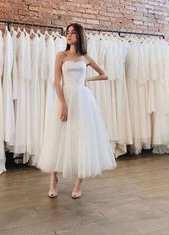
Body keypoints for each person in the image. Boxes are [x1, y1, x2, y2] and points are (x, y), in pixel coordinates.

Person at [36, 23, 117, 199]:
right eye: (68, 32)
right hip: (65, 97)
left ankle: (79, 183)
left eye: (73, 32)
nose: (69, 35)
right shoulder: (61, 56)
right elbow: (56, 82)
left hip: (82, 99)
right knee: (58, 137)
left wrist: (87, 79)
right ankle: (53, 179)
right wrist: (63, 104)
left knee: (82, 139)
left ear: (80, 36)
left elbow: (104, 74)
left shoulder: (85, 57)